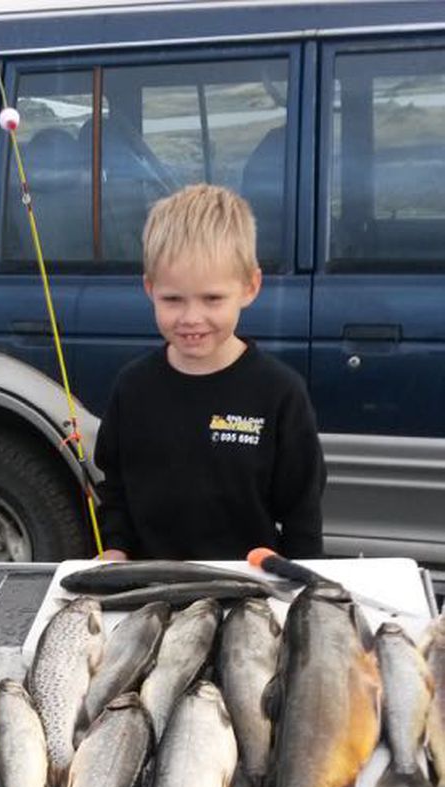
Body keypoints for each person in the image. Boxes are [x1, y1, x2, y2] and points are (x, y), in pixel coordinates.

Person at [94, 183, 325, 561]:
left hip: (250, 592)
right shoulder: (132, 388)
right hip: (151, 588)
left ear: (250, 287)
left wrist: (302, 588)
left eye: (212, 298)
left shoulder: (281, 393)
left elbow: (303, 516)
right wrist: (114, 550)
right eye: (172, 299)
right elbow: (115, 491)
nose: (191, 318)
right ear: (150, 289)